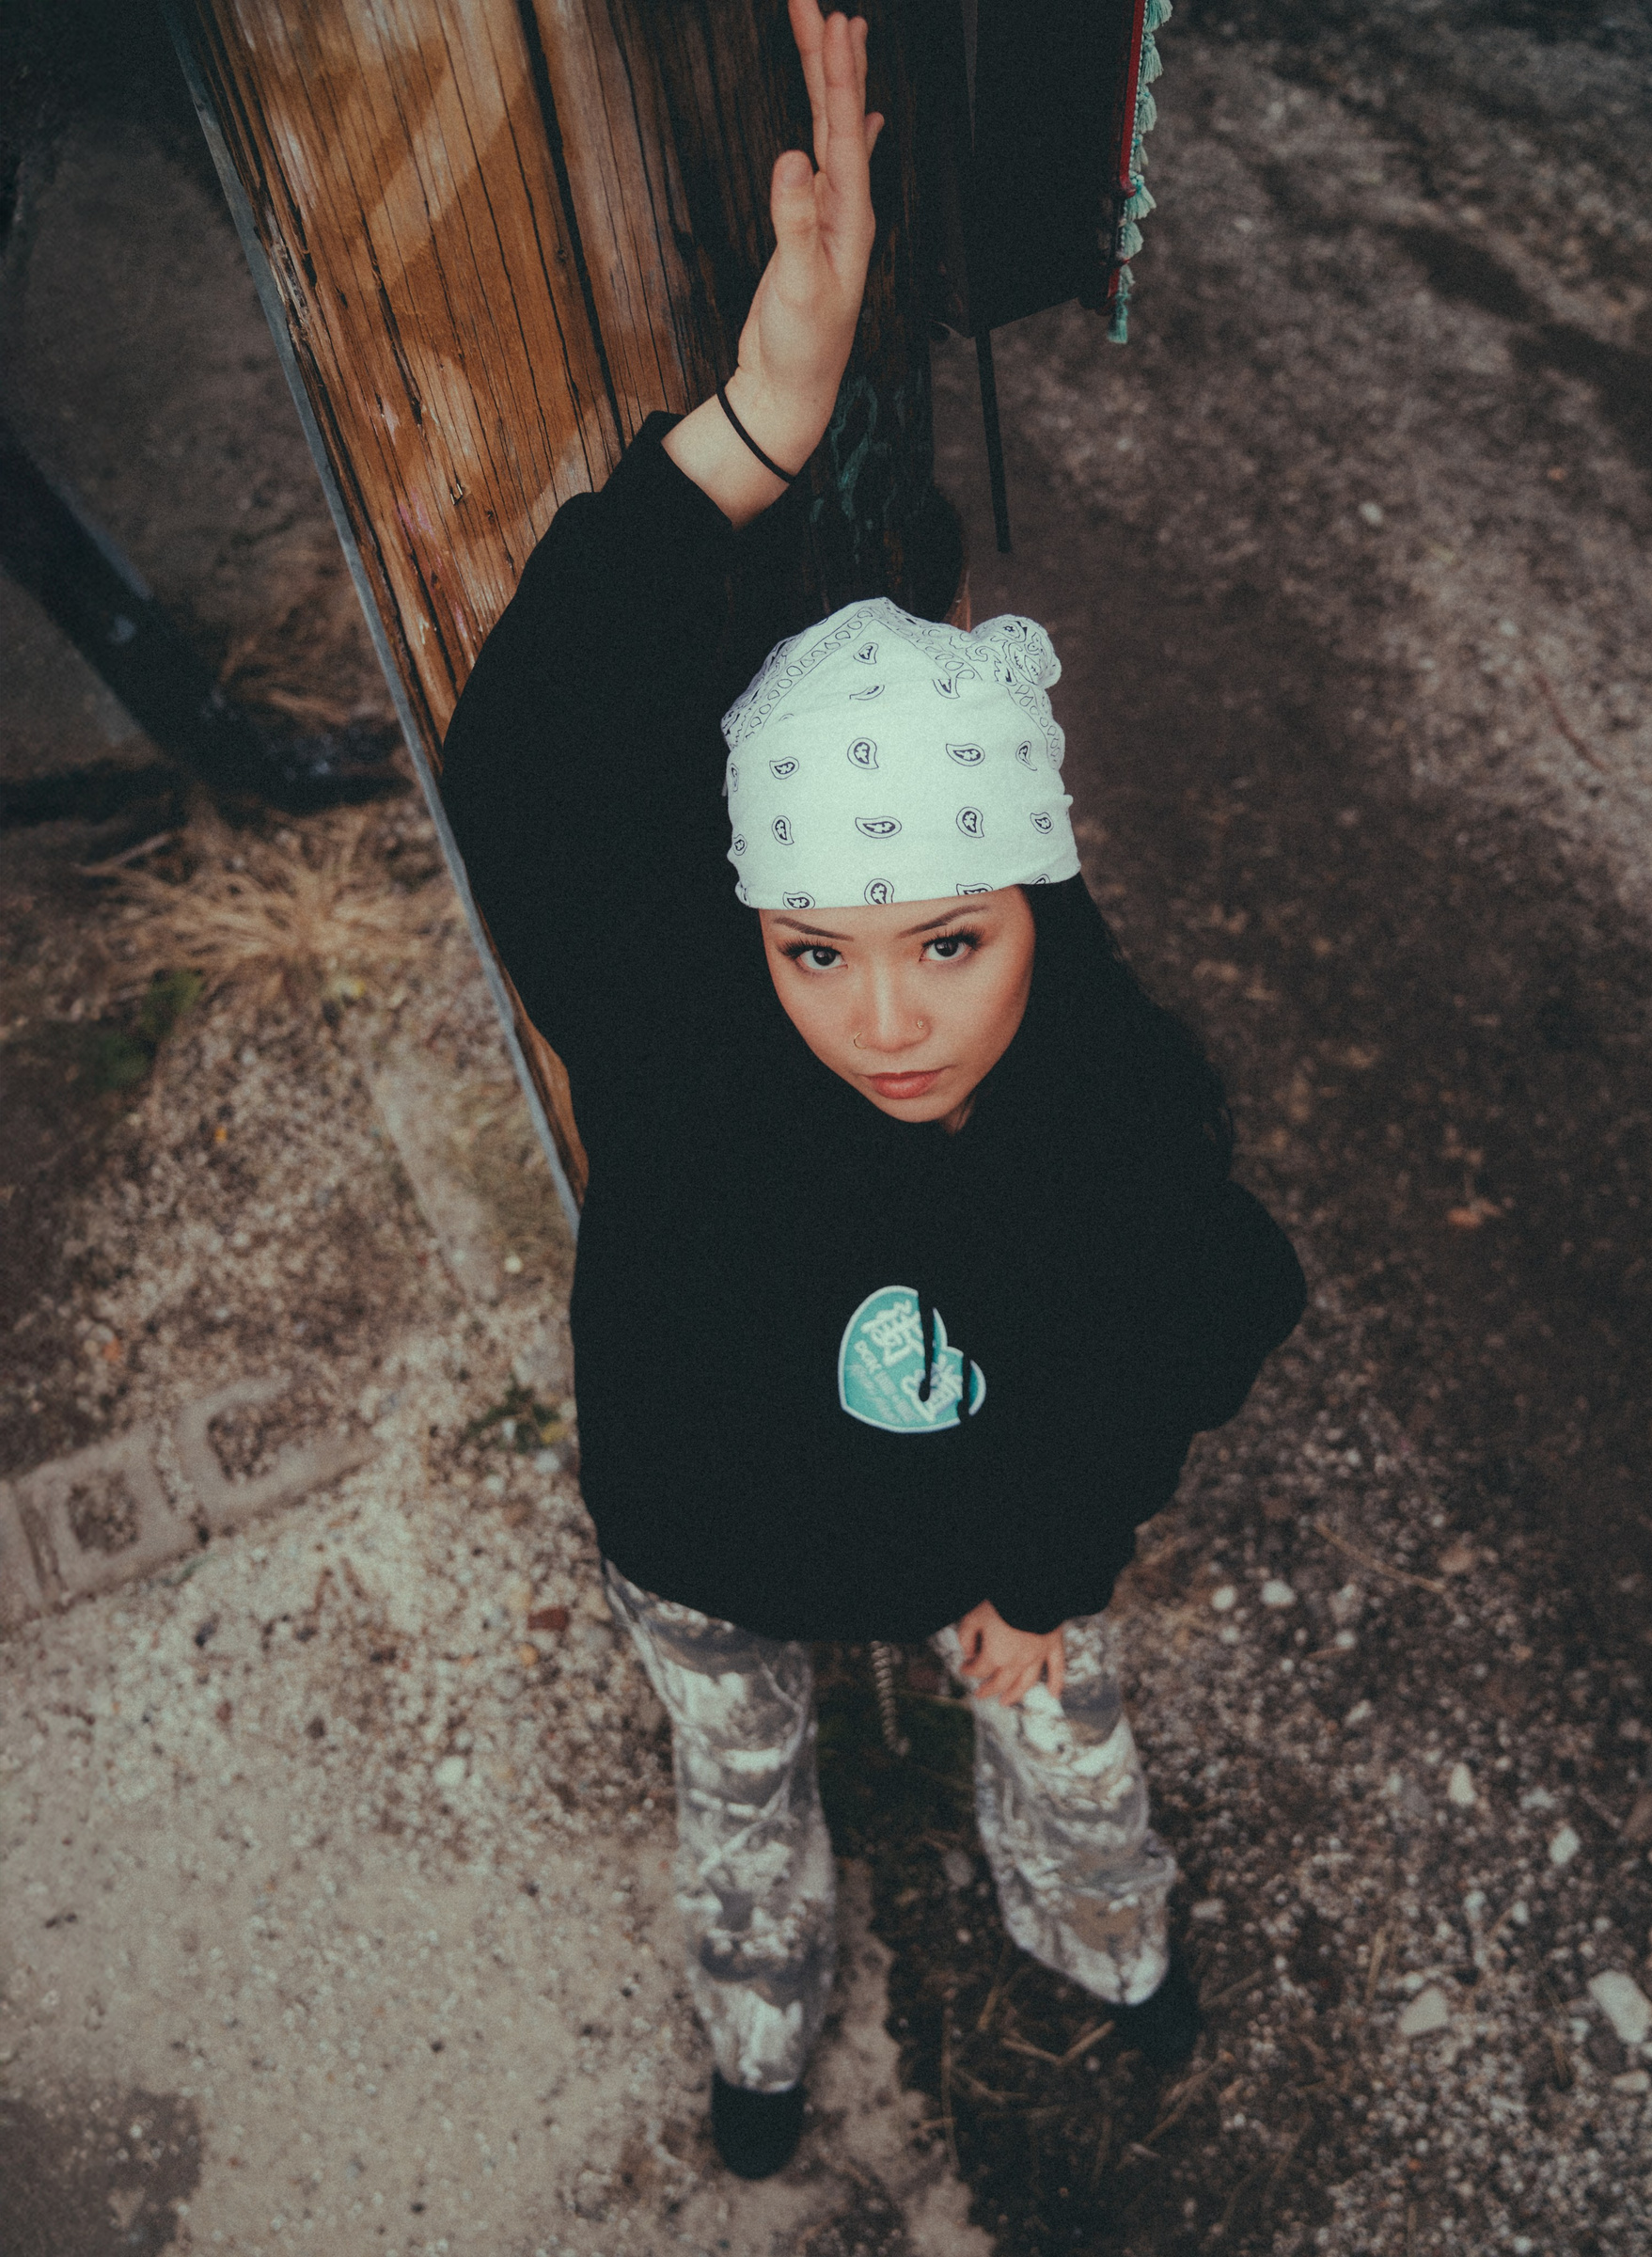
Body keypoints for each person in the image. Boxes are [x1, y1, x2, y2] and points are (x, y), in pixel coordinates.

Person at [439, 0, 1305, 2183]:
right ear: (749, 926)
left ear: (1040, 907)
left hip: (976, 1539)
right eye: (819, 949)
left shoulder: (1100, 1091)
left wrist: (1052, 1555)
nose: (887, 1019)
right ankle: (759, 2033)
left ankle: (1113, 1946)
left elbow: (1203, 1298)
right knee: (737, 1789)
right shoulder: (683, 1018)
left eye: (952, 943)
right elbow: (531, 745)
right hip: (709, 1547)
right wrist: (753, 425)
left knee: (1065, 1719)